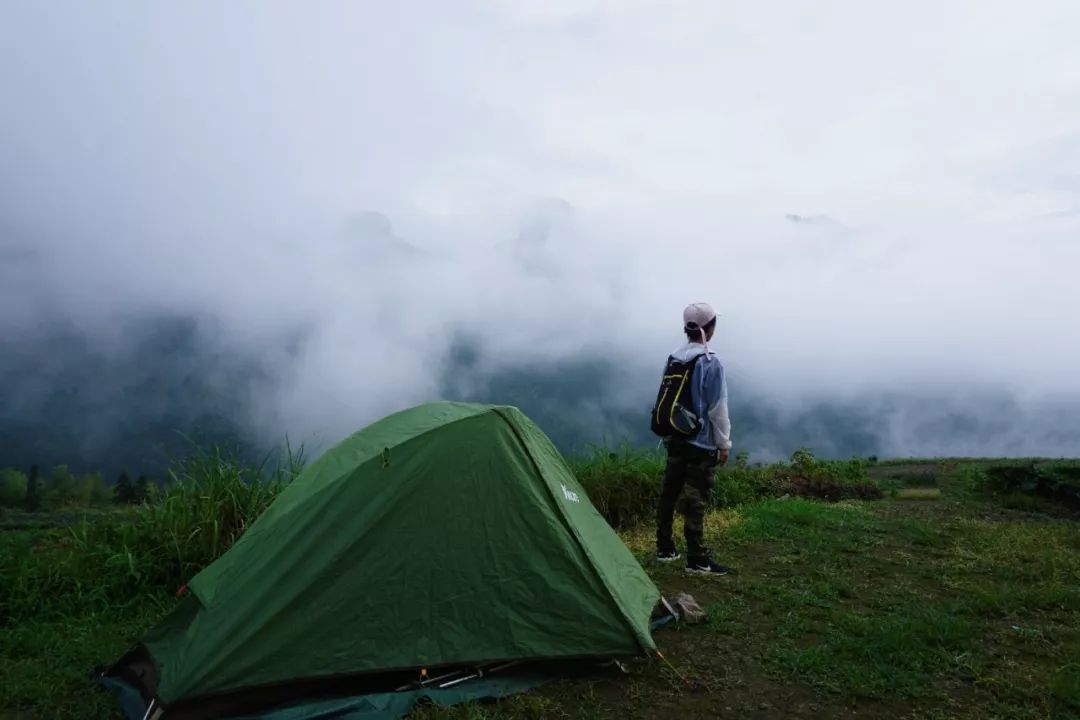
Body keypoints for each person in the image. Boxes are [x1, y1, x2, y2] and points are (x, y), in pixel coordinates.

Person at [654, 302, 733, 575]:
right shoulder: (710, 362)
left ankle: (665, 547)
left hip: (676, 435)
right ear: (709, 328)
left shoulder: (674, 357)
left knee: (669, 491)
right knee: (695, 498)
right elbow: (717, 408)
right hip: (700, 442)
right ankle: (697, 558)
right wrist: (724, 443)